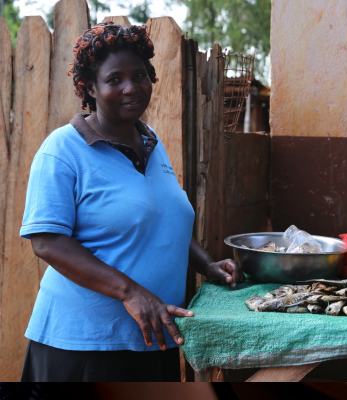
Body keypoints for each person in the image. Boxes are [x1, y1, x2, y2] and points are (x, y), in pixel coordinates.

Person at [19, 22, 245, 382]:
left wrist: (207, 264)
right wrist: (131, 293)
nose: (130, 88)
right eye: (114, 79)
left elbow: (165, 222)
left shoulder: (151, 141)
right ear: (90, 87)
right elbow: (47, 242)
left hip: (154, 337)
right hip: (83, 348)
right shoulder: (62, 150)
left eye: (139, 75)